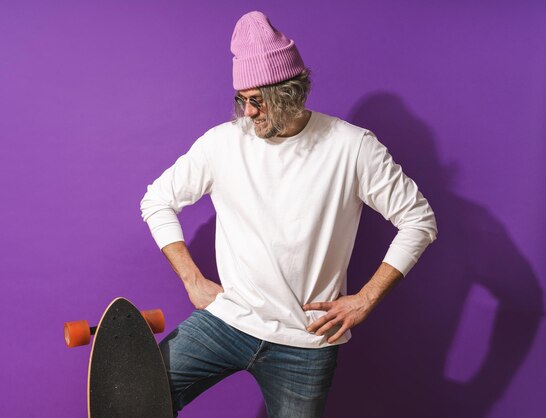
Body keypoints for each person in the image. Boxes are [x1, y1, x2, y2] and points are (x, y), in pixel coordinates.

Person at [140, 11, 437, 418]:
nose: (247, 112)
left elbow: (419, 220)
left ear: (291, 92)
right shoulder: (222, 144)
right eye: (241, 99)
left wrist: (365, 299)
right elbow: (156, 200)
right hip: (228, 320)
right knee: (134, 398)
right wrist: (192, 279)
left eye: (257, 101)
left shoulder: (353, 148)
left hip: (306, 342)